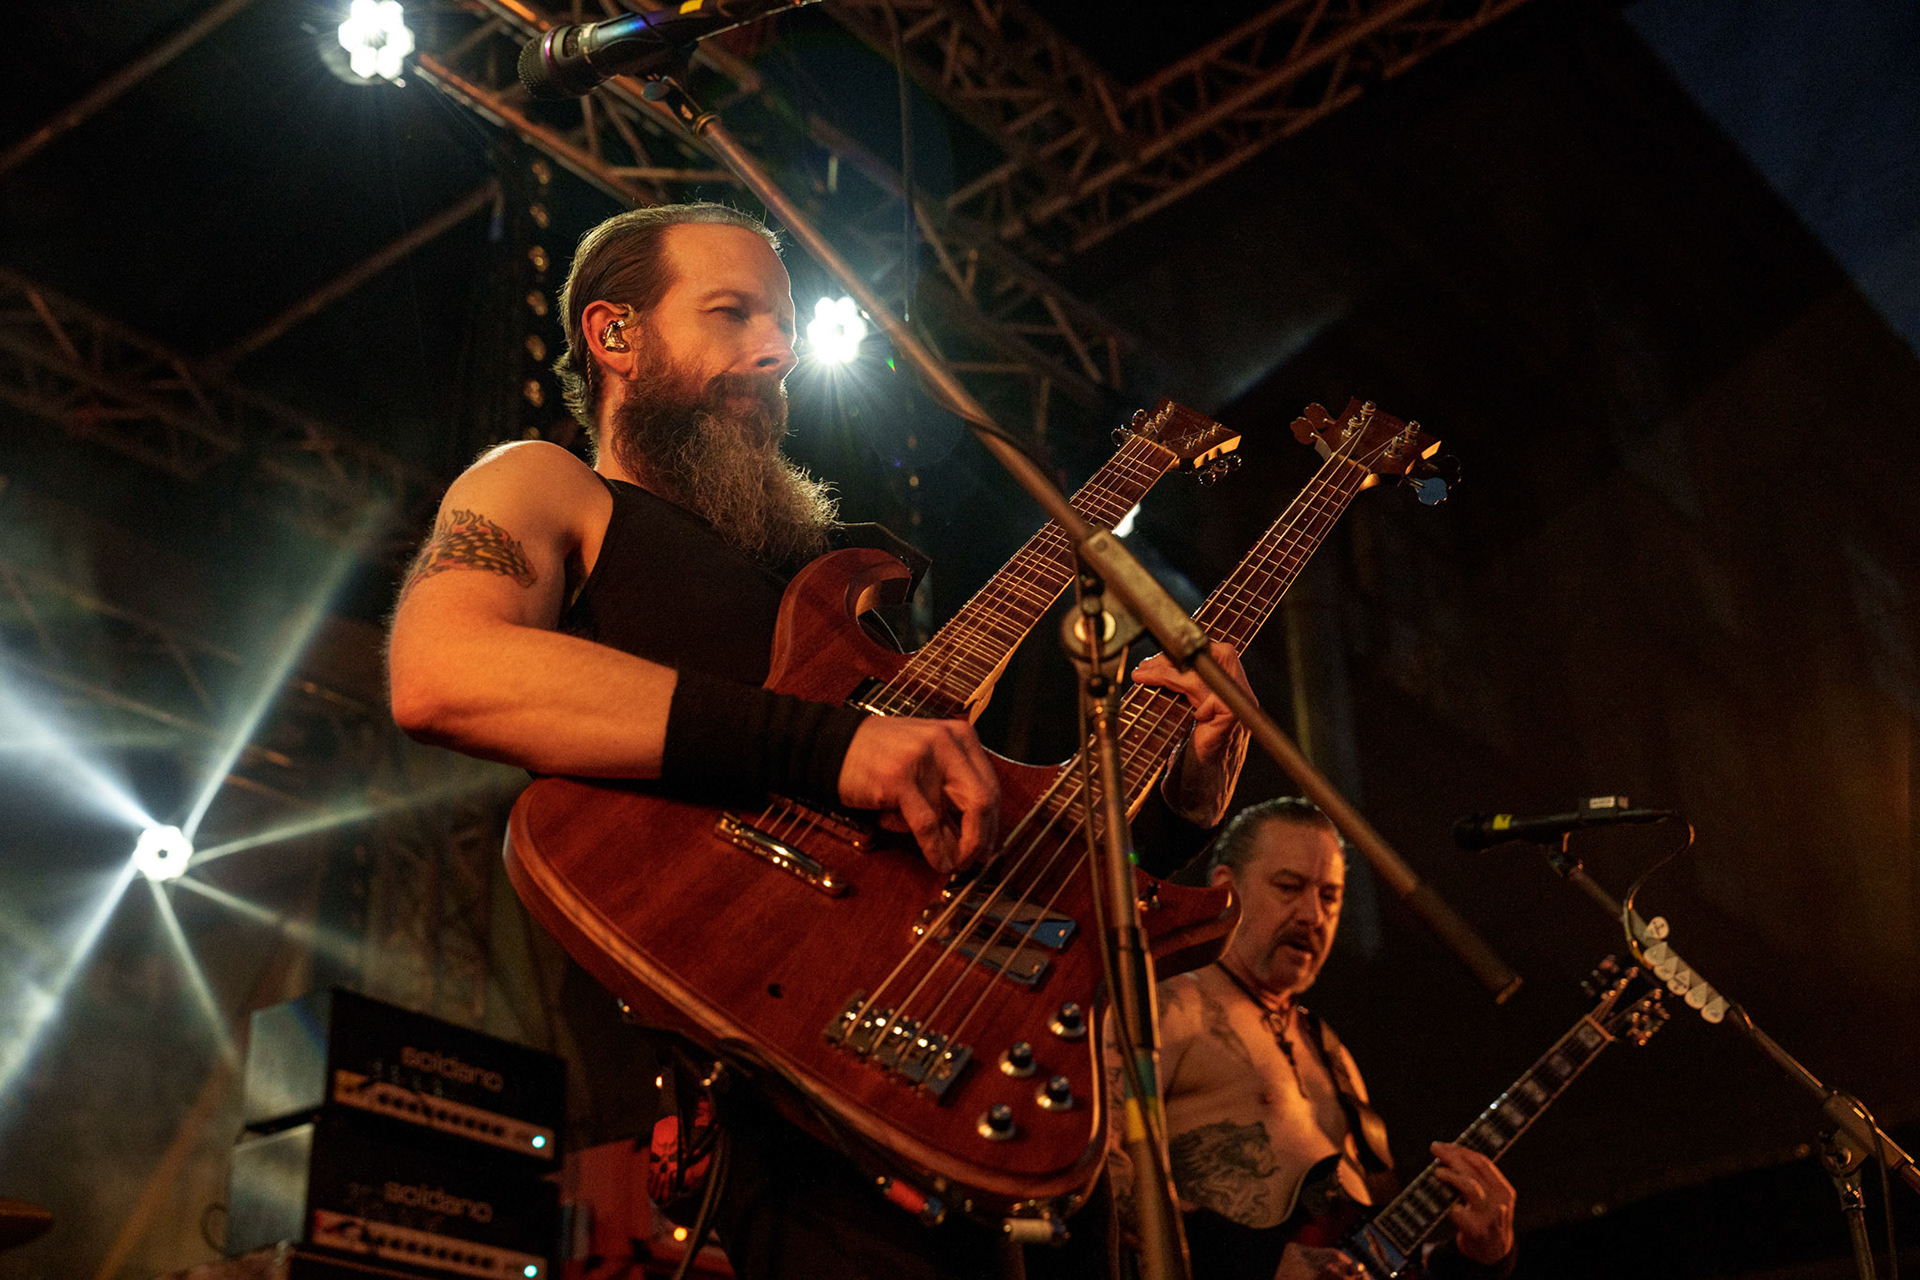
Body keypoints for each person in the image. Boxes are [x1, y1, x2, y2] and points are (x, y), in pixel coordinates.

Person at [386, 202, 1254, 1280]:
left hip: (923, 1091)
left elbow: (998, 866)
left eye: (786, 322)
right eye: (733, 311)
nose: (781, 347)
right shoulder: (544, 484)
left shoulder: (838, 593)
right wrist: (827, 747)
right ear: (614, 336)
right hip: (726, 1113)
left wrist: (1181, 801)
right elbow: (443, 668)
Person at [1108, 798, 1517, 1280]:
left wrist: (1480, 1257)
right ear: (1225, 888)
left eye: (1330, 896)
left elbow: (1380, 1258)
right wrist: (1253, 1260)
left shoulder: (1332, 1054)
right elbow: (1095, 1173)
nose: (1312, 915)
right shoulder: (1164, 1004)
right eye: (1289, 887)